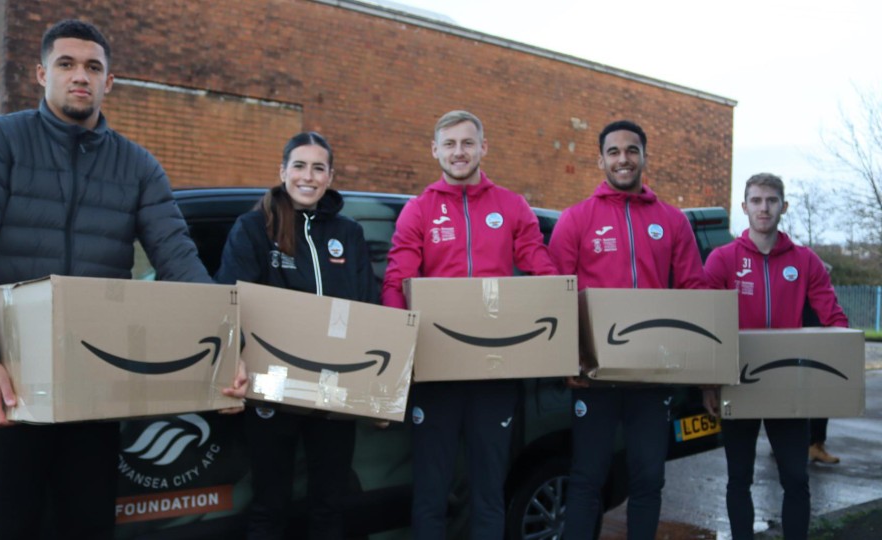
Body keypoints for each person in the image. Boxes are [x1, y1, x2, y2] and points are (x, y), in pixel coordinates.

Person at [0, 20, 215, 540]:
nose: (79, 76)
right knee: (10, 525)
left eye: (92, 67)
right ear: (42, 73)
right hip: (13, 386)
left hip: (96, 388)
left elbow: (180, 263)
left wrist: (223, 345)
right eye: (66, 64)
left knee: (85, 526)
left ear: (110, 82)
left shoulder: (138, 167)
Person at [382, 110, 557, 539]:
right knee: (431, 491)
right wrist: (395, 351)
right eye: (449, 144)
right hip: (436, 371)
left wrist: (557, 302)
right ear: (435, 150)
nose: (458, 152)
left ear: (483, 147)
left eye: (467, 143)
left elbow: (539, 265)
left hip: (494, 371)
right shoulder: (419, 210)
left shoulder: (511, 206)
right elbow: (396, 280)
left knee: (489, 490)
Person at [214, 131, 379, 539]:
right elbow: (228, 301)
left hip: (334, 387)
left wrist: (376, 386)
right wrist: (228, 366)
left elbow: (367, 309)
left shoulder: (349, 233)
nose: (308, 176)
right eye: (300, 166)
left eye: (318, 168)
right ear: (283, 171)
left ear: (330, 176)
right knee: (270, 506)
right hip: (271, 387)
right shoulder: (254, 227)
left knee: (330, 504)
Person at [547, 120, 707, 539]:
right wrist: (566, 356)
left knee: (648, 481)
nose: (623, 159)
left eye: (631, 150)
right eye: (614, 152)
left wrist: (694, 360)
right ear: (600, 159)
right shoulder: (576, 219)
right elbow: (555, 292)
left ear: (644, 157)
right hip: (594, 377)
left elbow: (694, 289)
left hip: (651, 378)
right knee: (586, 480)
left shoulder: (672, 221)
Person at [701, 173, 848, 540]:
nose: (763, 207)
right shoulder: (723, 260)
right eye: (756, 200)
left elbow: (833, 318)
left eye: (771, 200)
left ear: (784, 206)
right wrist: (707, 382)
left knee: (796, 479)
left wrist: (842, 360)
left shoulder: (806, 261)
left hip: (787, 385)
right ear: (744, 207)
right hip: (738, 380)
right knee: (739, 478)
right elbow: (704, 321)